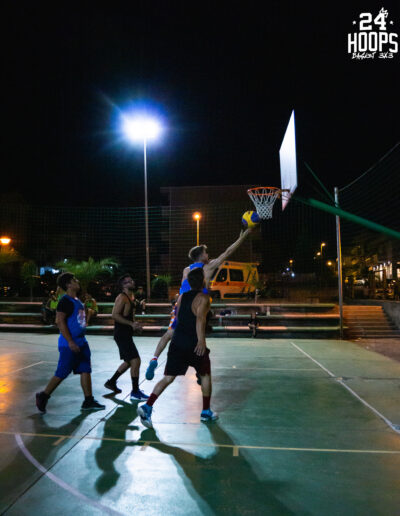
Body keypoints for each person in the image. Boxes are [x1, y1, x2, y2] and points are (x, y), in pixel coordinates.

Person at [145, 228, 252, 380]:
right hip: (198, 305)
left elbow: (183, 290)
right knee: (198, 335)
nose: (208, 255)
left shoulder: (186, 270)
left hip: (181, 305)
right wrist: (242, 237)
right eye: (206, 253)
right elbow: (228, 252)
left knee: (169, 333)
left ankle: (154, 359)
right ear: (201, 255)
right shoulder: (208, 267)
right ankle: (200, 370)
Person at [138, 268, 217, 428]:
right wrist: (201, 341)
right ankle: (206, 411)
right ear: (202, 281)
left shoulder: (181, 297)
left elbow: (179, 317)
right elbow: (200, 319)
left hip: (177, 341)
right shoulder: (203, 298)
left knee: (168, 378)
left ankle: (147, 406)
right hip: (193, 343)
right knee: (205, 375)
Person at [35, 273, 105, 413]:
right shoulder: (65, 301)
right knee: (62, 372)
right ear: (68, 284)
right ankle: (43, 395)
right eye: (74, 280)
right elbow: (59, 321)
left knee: (85, 369)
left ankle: (88, 400)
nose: (77, 281)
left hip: (81, 342)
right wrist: (70, 342)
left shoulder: (77, 300)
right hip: (69, 344)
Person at [104, 274, 149, 401]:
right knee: (136, 360)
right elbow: (114, 315)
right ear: (123, 285)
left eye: (132, 280)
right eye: (129, 281)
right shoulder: (122, 297)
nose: (132, 282)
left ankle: (111, 382)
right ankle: (135, 391)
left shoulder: (131, 297)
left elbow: (130, 316)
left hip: (126, 333)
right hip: (121, 334)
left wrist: (135, 326)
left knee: (129, 361)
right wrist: (131, 324)